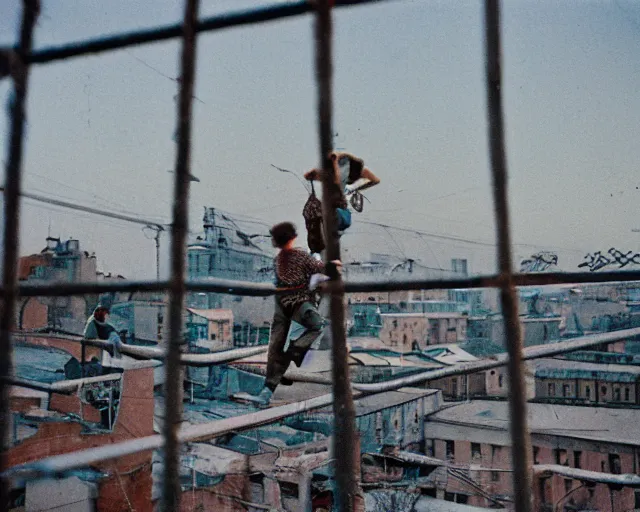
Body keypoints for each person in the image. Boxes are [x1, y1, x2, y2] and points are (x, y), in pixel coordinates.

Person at [239, 222, 340, 407]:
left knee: (275, 346)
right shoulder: (300, 256)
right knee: (317, 325)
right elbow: (321, 269)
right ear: (291, 238)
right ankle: (294, 351)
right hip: (298, 302)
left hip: (281, 304)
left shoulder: (277, 260)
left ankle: (267, 390)